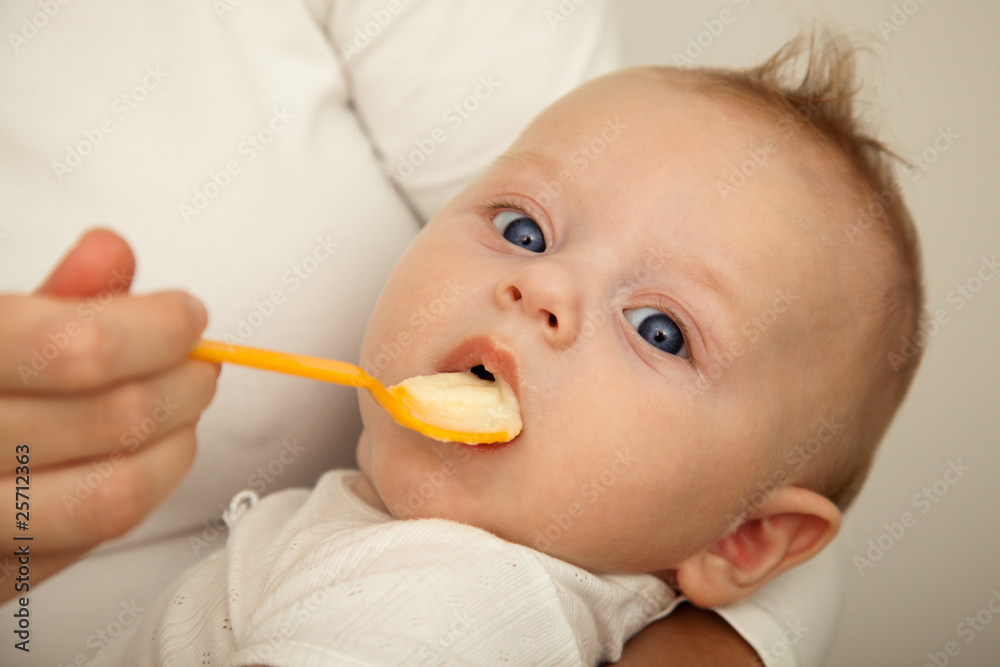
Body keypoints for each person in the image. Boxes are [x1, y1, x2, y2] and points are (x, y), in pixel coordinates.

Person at [89, 32, 923, 666]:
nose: (545, 286)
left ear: (739, 540)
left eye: (658, 329)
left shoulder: (455, 598)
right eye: (524, 229)